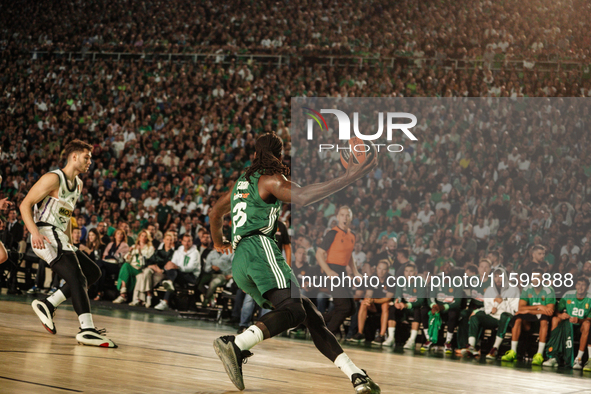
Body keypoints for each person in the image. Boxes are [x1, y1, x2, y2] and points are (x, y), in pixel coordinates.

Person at [209, 133, 380, 393]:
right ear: (279, 155)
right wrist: (348, 177)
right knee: (295, 311)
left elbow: (215, 212)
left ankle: (355, 374)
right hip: (260, 248)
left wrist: (219, 241)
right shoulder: (271, 179)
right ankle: (236, 344)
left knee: (312, 315)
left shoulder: (241, 183)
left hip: (241, 260)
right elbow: (302, 196)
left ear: (256, 154)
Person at [19, 139, 116, 347]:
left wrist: (71, 242)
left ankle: (48, 304)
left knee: (92, 272)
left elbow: (66, 217)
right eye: (86, 157)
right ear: (74, 157)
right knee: (76, 276)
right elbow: (25, 204)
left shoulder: (78, 184)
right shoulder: (53, 178)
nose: (90, 162)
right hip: (44, 233)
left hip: (60, 236)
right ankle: (86, 329)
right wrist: (34, 232)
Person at [316, 206, 361, 336]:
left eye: (347, 215)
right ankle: (328, 335)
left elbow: (349, 255)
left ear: (351, 218)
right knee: (344, 307)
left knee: (351, 308)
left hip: (342, 271)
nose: (345, 218)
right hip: (332, 270)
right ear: (337, 217)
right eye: (342, 215)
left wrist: (355, 272)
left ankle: (314, 319)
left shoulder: (352, 235)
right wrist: (328, 271)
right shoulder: (332, 233)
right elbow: (319, 254)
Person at [501, 268, 555, 365]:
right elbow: (521, 309)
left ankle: (539, 354)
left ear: (543, 279)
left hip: (540, 317)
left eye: (538, 277)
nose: (535, 280)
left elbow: (549, 312)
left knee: (544, 320)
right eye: (533, 277)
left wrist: (528, 309)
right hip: (532, 316)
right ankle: (513, 352)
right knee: (517, 319)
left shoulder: (549, 290)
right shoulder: (527, 289)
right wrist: (539, 307)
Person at [465, 269, 520, 359]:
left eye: (500, 276)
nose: (498, 279)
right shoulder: (490, 290)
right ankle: (472, 346)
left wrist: (502, 303)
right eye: (495, 276)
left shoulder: (514, 290)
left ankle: (495, 349)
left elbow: (514, 311)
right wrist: (491, 310)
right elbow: (486, 307)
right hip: (493, 316)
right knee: (475, 317)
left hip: (507, 318)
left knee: (504, 316)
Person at [543, 275, 591, 370]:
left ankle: (579, 359)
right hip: (567, 326)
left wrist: (579, 320)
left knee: (587, 324)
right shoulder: (568, 295)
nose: (580, 287)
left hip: (580, 327)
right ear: (575, 285)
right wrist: (561, 315)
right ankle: (553, 356)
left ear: (588, 288)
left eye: (583, 285)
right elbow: (556, 311)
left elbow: (589, 319)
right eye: (579, 284)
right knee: (555, 319)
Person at [347, 260, 394, 345]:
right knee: (364, 303)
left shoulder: (391, 280)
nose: (381, 271)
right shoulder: (372, 278)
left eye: (383, 269)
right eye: (379, 268)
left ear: (387, 270)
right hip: (373, 305)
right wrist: (369, 300)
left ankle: (381, 335)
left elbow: (388, 298)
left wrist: (374, 300)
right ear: (376, 269)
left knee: (385, 305)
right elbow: (369, 294)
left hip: (385, 305)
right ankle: (360, 333)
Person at [383, 261, 427, 349]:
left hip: (413, 306)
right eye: (406, 271)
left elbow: (421, 301)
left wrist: (407, 305)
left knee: (417, 310)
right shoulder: (401, 280)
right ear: (404, 272)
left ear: (415, 273)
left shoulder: (420, 281)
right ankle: (391, 337)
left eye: (411, 271)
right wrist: (397, 302)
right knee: (392, 308)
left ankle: (411, 340)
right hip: (403, 307)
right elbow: (398, 295)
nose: (408, 273)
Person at [153, 233, 201, 311]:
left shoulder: (195, 253)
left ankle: (165, 301)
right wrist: (169, 265)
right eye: (185, 241)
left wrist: (177, 267)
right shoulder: (178, 251)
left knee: (173, 275)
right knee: (172, 271)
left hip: (191, 276)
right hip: (178, 274)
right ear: (182, 242)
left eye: (189, 241)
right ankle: (166, 300)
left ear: (192, 242)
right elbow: (173, 263)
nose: (186, 243)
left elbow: (190, 268)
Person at [131, 231, 175, 307]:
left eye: (171, 240)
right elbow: (149, 262)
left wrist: (160, 270)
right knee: (144, 273)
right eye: (167, 239)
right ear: (164, 240)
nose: (169, 242)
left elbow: (169, 267)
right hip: (154, 270)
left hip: (163, 274)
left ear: (173, 241)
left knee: (142, 277)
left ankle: (140, 299)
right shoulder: (158, 251)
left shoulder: (174, 253)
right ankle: (148, 295)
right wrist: (153, 267)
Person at [113, 229, 155, 304]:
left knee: (125, 267)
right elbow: (127, 260)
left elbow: (146, 262)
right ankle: (123, 293)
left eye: (145, 236)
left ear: (147, 238)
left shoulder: (150, 248)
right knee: (125, 265)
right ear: (139, 237)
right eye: (142, 236)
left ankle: (123, 294)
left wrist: (139, 253)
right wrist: (129, 253)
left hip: (141, 268)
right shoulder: (134, 246)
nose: (143, 238)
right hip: (132, 266)